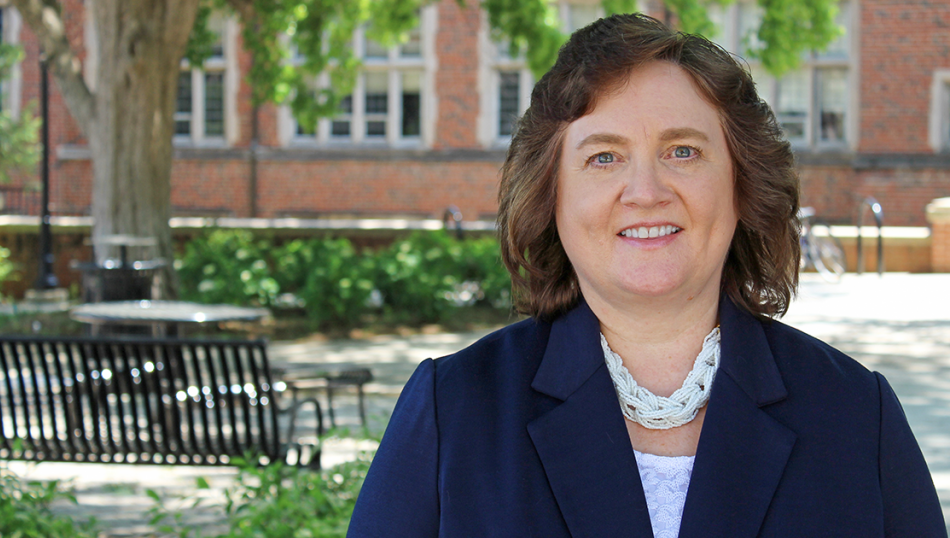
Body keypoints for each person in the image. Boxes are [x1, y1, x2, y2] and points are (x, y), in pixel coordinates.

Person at [347, 14, 946, 538]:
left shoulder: (855, 415)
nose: (646, 193)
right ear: (551, 195)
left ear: (742, 183)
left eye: (682, 151)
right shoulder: (453, 412)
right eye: (603, 157)